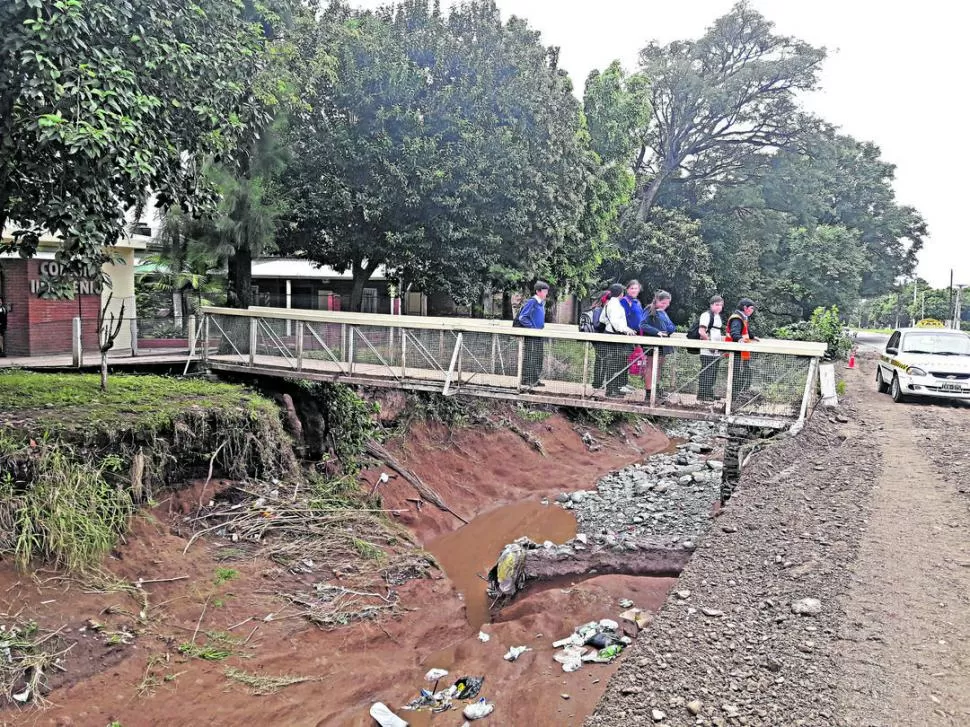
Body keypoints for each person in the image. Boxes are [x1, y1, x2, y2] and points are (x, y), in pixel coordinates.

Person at [602, 283, 638, 397]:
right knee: (614, 363)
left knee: (615, 363)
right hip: (615, 336)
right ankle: (611, 390)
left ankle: (615, 388)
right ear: (621, 293)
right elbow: (617, 323)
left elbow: (602, 319)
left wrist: (610, 325)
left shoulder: (609, 304)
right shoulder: (615, 305)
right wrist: (627, 330)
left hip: (610, 334)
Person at [639, 290, 675, 396]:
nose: (665, 305)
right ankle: (649, 392)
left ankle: (657, 388)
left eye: (667, 303)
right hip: (651, 342)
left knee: (659, 366)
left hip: (663, 343)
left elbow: (671, 326)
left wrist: (669, 329)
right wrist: (657, 332)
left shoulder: (663, 312)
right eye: (663, 303)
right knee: (650, 366)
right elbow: (642, 324)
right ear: (657, 300)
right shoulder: (649, 309)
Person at [517, 281, 550, 388]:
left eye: (546, 291)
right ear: (538, 291)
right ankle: (527, 380)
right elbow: (522, 317)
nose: (546, 294)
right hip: (532, 334)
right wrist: (532, 328)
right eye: (545, 291)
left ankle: (535, 379)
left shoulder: (541, 303)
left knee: (538, 357)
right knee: (530, 356)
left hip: (538, 334)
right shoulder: (532, 302)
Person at [725, 298, 759, 394]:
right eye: (751, 308)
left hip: (740, 352)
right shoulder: (737, 318)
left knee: (742, 372)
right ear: (745, 307)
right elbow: (735, 333)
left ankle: (739, 393)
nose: (753, 311)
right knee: (736, 374)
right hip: (736, 352)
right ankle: (734, 395)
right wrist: (740, 340)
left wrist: (752, 337)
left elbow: (744, 331)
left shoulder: (742, 317)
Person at [697, 295, 725, 401]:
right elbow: (702, 332)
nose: (719, 307)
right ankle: (702, 394)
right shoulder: (706, 315)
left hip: (716, 349)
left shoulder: (718, 317)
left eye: (721, 305)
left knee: (713, 372)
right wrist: (710, 344)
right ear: (711, 305)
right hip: (707, 349)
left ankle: (709, 392)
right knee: (707, 371)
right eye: (717, 305)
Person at [590, 289, 612, 389]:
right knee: (600, 360)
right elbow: (596, 325)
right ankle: (597, 382)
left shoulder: (607, 309)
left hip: (605, 339)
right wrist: (606, 321)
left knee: (605, 360)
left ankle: (601, 381)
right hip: (599, 339)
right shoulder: (598, 310)